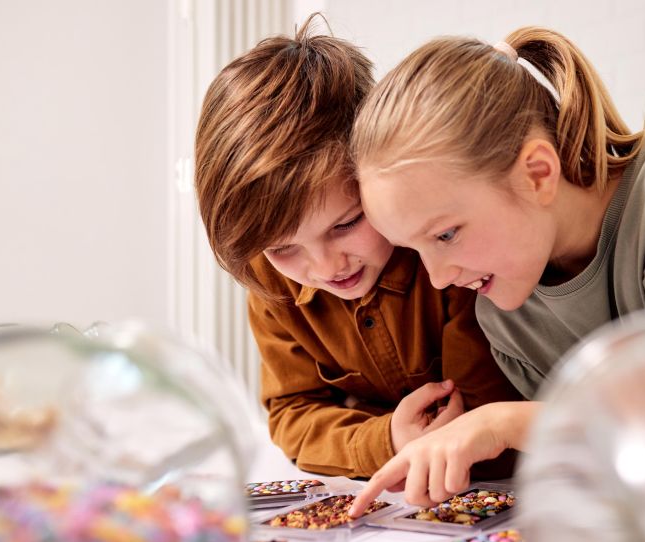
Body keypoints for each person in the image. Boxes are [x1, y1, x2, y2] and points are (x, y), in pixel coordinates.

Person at [348, 26, 645, 515]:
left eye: (446, 235)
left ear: (537, 174)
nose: (439, 278)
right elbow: (630, 470)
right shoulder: (505, 312)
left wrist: (504, 424)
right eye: (415, 249)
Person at [193, 17, 521, 480]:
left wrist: (350, 413)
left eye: (346, 224)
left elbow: (480, 417)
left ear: (376, 173)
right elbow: (291, 415)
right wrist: (384, 438)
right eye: (284, 247)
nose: (326, 266)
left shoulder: (447, 253)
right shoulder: (270, 278)